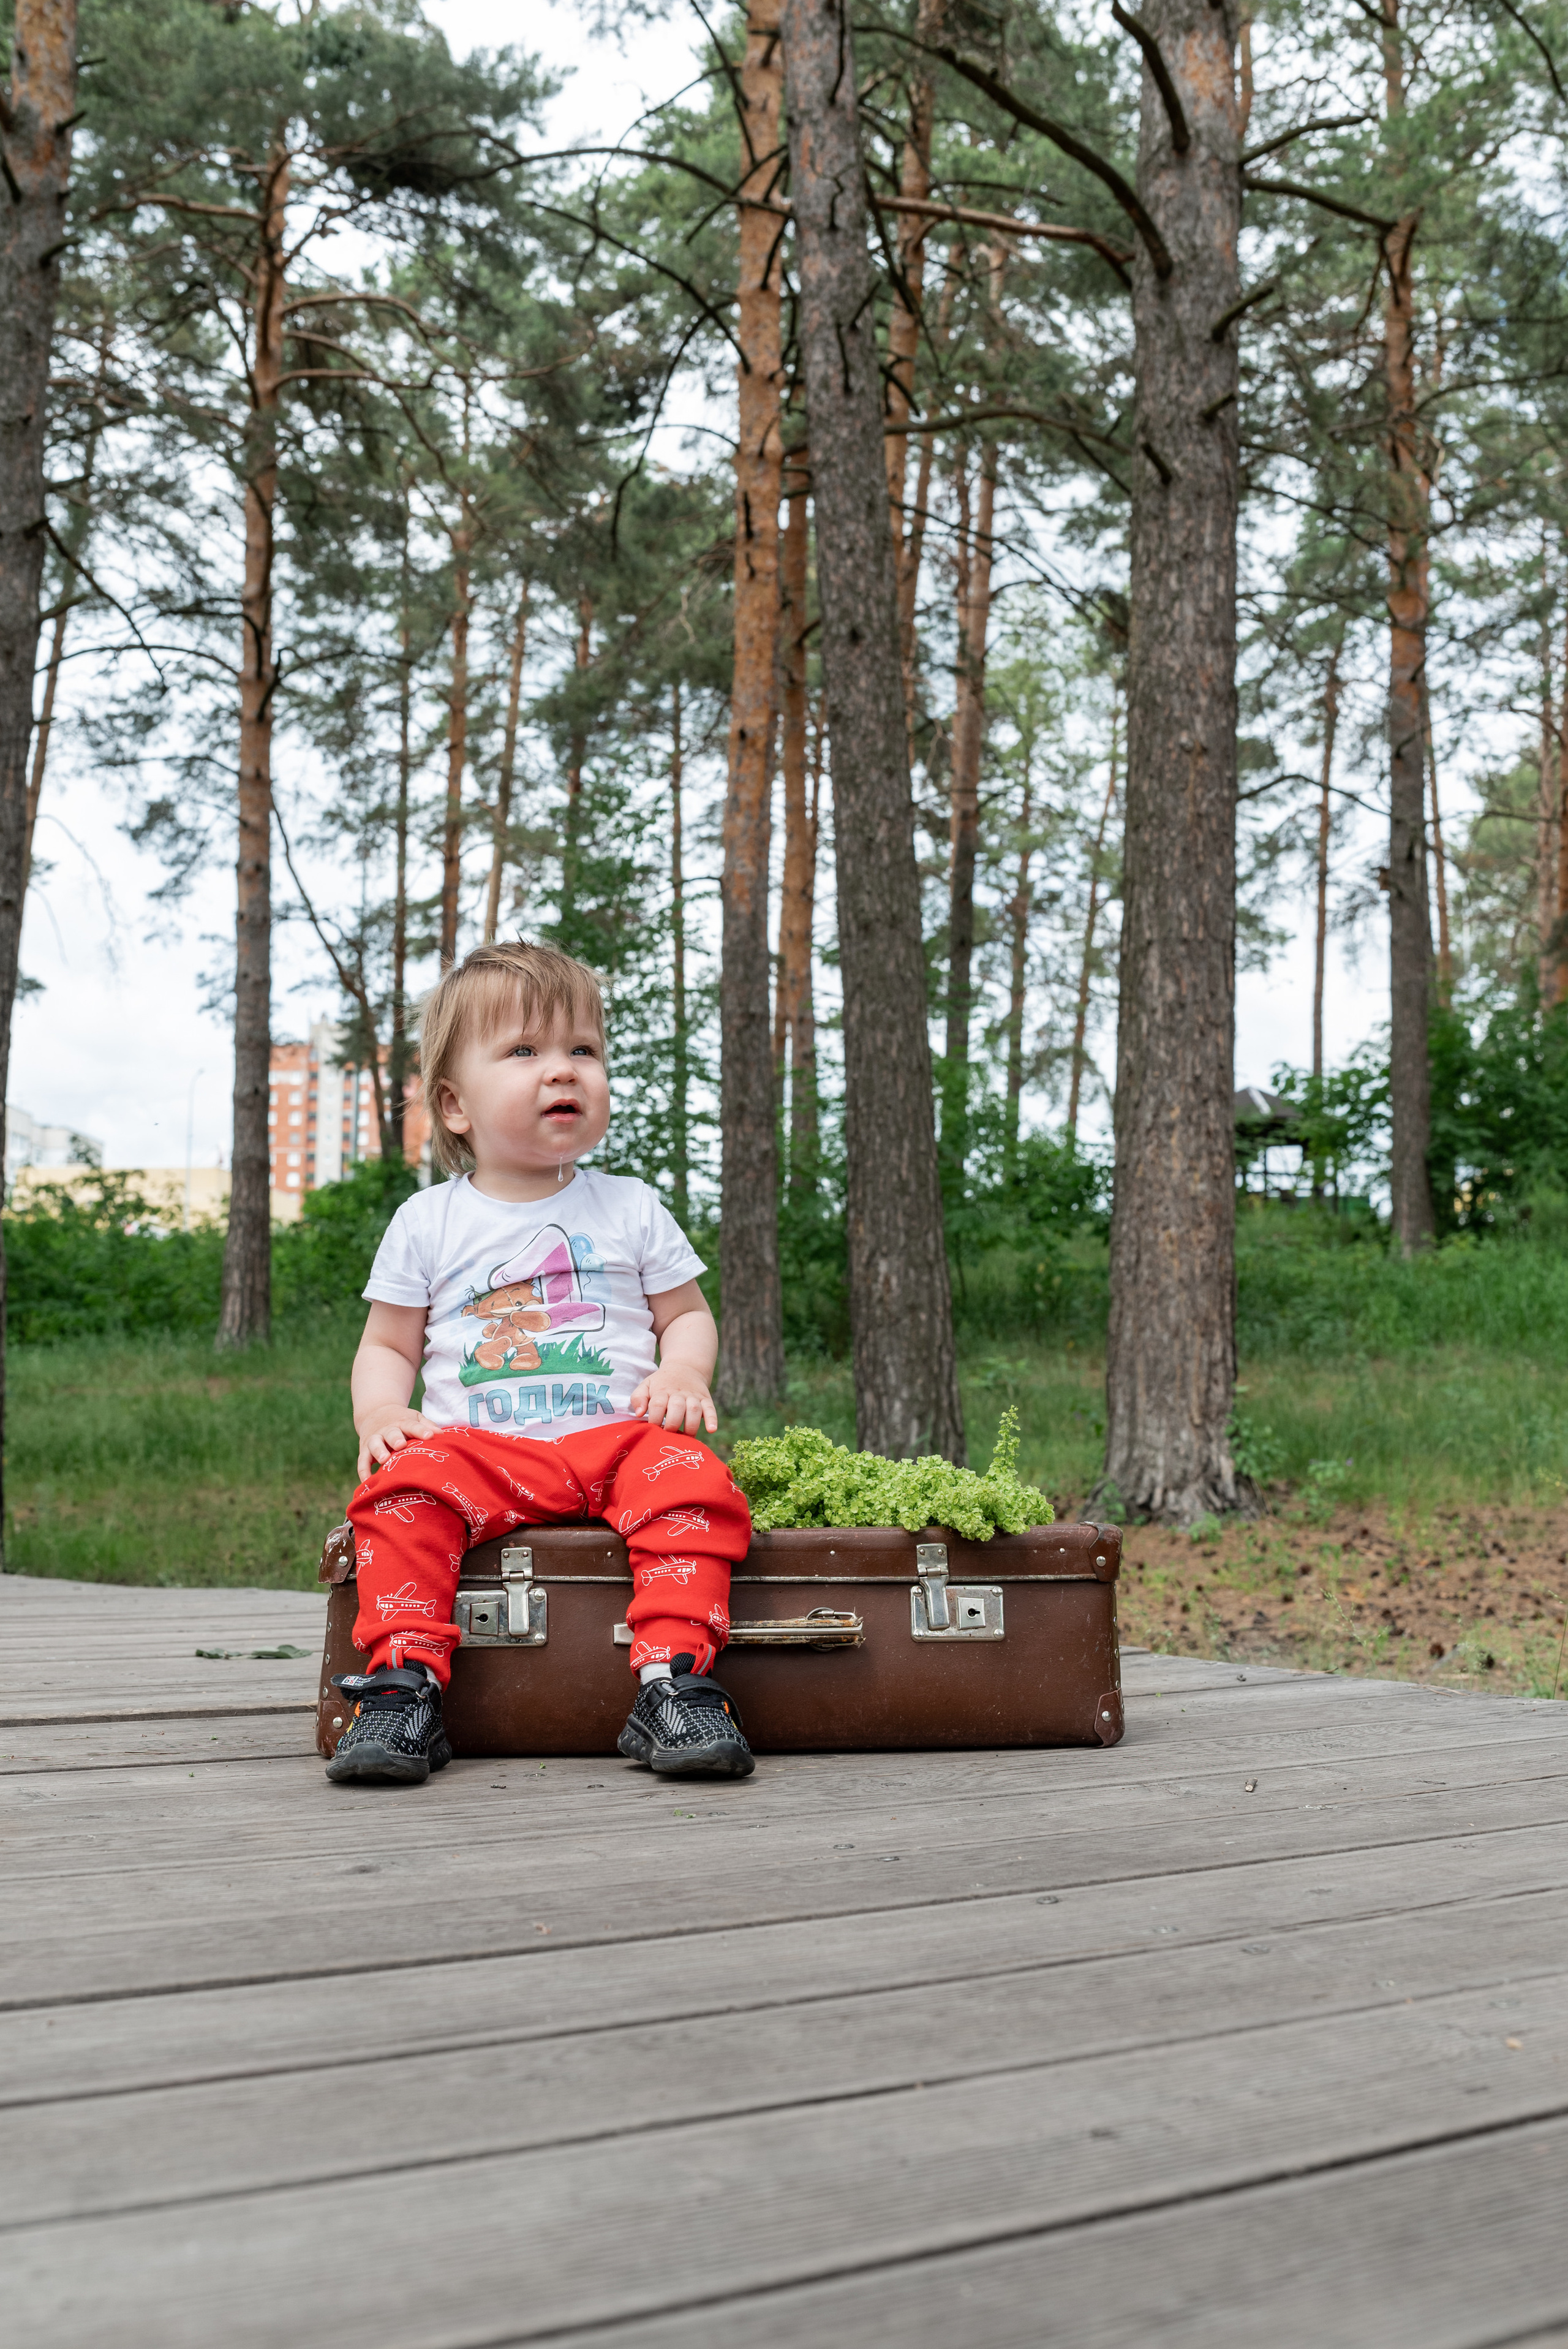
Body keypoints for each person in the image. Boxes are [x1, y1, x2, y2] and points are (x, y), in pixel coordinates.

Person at [326, 940, 755, 1786]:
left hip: (616, 1442)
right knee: (402, 1488)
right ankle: (401, 1684)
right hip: (480, 1452)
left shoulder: (630, 1207)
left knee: (694, 1479)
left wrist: (682, 1372)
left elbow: (687, 1316)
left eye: (582, 1050)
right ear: (454, 1104)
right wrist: (380, 1414)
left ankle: (675, 1683)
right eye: (525, 1051)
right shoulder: (428, 1221)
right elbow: (387, 1343)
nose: (563, 1070)